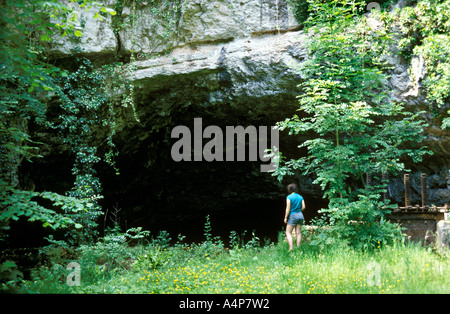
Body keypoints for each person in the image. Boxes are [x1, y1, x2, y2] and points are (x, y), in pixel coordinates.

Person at [284, 183, 305, 251]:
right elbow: (304, 206)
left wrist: (285, 217)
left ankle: (291, 248)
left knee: (288, 232)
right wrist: (299, 211)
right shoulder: (300, 197)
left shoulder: (289, 197)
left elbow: (288, 208)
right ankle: (298, 248)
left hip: (293, 215)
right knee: (298, 232)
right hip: (300, 215)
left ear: (290, 189)